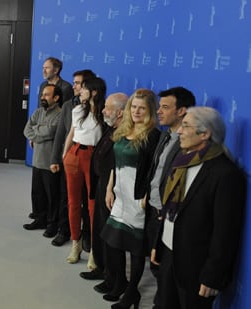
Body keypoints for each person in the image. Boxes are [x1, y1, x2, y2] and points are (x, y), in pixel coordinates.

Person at [151, 107, 246, 309]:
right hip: (169, 254)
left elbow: (225, 232)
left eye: (185, 126)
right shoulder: (181, 160)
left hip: (195, 267)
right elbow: (168, 211)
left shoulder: (225, 174)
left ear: (205, 134)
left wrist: (213, 275)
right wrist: (158, 246)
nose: (179, 131)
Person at [100, 89, 161, 307]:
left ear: (150, 110)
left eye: (141, 108)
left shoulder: (154, 135)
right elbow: (115, 165)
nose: (136, 111)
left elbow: (154, 170)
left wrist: (146, 196)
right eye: (133, 106)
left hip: (137, 198)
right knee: (112, 240)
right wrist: (109, 188)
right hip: (119, 193)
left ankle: (132, 292)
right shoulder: (125, 128)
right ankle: (120, 283)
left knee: (135, 249)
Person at [143, 86, 196, 308]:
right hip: (153, 209)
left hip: (166, 216)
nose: (159, 112)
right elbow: (156, 170)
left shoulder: (186, 146)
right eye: (159, 107)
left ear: (182, 111)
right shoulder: (165, 135)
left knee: (165, 275)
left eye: (165, 107)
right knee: (156, 265)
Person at [80, 92, 127, 287]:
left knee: (109, 234)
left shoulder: (124, 134)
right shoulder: (110, 129)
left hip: (113, 191)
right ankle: (100, 267)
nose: (103, 111)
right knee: (99, 228)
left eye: (108, 108)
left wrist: (110, 188)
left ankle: (112, 276)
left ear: (121, 113)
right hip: (101, 185)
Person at [49, 69, 96, 247]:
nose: (74, 86)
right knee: (67, 198)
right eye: (74, 82)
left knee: (88, 201)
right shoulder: (69, 105)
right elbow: (62, 133)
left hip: (90, 161)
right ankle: (65, 231)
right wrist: (56, 158)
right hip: (70, 157)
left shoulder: (100, 107)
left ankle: (87, 236)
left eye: (78, 83)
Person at [62, 76, 106, 267]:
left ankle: (95, 249)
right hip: (74, 154)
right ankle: (75, 243)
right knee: (73, 202)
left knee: (92, 205)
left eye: (84, 89)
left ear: (94, 92)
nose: (80, 91)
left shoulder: (104, 113)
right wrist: (64, 155)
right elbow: (72, 132)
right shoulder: (78, 109)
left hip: (93, 157)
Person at [22, 84, 62, 234]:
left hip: (50, 162)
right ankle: (40, 220)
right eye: (42, 94)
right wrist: (39, 131)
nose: (42, 97)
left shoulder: (60, 113)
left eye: (46, 95)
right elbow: (27, 129)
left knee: (52, 195)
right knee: (37, 193)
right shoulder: (38, 112)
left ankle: (52, 224)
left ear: (56, 97)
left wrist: (36, 130)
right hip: (37, 160)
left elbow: (51, 131)